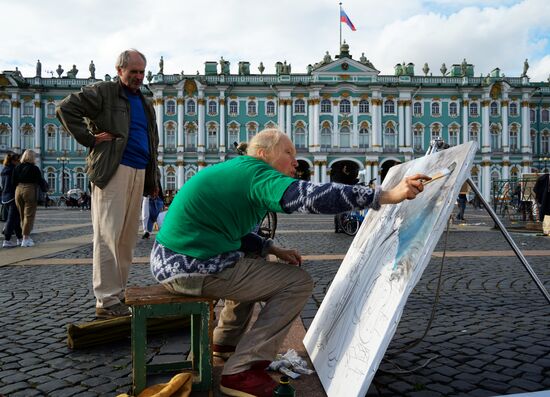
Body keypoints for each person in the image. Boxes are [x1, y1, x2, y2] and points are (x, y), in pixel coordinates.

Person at [150, 128, 429, 397]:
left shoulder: (238, 171)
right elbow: (308, 196)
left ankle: (225, 343)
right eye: (288, 152)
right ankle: (242, 370)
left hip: (175, 261)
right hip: (191, 266)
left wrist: (271, 246)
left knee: (255, 257)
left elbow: (228, 228)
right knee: (297, 283)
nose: (296, 161)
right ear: (262, 154)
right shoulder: (257, 173)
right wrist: (384, 195)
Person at [56, 49, 160, 319]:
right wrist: (90, 139)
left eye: (141, 72)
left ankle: (119, 293)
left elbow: (152, 142)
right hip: (114, 169)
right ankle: (105, 300)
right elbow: (65, 108)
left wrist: (153, 179)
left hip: (138, 170)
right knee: (107, 236)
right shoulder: (104, 92)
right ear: (119, 70)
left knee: (126, 238)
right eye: (133, 72)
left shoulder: (146, 102)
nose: (138, 77)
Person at [13, 150, 45, 247]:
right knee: (29, 215)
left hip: (18, 190)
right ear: (32, 157)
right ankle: (25, 238)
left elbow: (13, 181)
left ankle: (25, 236)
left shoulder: (17, 167)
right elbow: (40, 181)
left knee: (22, 215)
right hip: (30, 190)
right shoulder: (34, 168)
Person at [1, 152, 23, 248]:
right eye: (18, 160)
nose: (19, 162)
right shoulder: (13, 170)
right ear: (14, 161)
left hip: (5, 197)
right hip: (13, 197)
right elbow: (15, 183)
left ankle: (19, 238)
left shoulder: (4, 170)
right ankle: (7, 239)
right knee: (11, 220)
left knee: (15, 219)